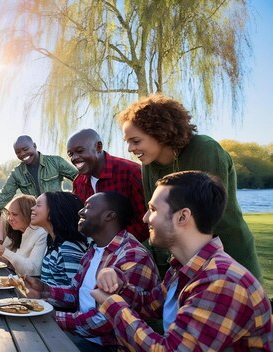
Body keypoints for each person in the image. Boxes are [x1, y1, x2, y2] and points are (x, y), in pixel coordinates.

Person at [91, 171, 273, 351]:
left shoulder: (222, 282)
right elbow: (150, 305)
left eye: (153, 210)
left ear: (182, 217)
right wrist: (116, 282)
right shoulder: (183, 268)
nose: (145, 218)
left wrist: (113, 306)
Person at [119, 94, 262, 280]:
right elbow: (155, 216)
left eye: (136, 141)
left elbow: (208, 218)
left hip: (228, 254)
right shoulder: (148, 165)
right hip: (182, 259)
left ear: (160, 132)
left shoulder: (206, 150)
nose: (130, 149)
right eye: (127, 142)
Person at [25, 192, 159, 350]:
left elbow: (107, 319)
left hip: (109, 345)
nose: (80, 212)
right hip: (85, 336)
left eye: (87, 207)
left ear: (109, 216)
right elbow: (76, 292)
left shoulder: (133, 255)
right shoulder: (93, 250)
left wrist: (52, 316)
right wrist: (45, 292)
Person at [67, 129, 148, 242]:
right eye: (70, 154)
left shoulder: (130, 172)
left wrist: (113, 243)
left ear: (98, 147)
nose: (74, 158)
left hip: (134, 249)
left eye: (80, 151)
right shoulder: (78, 182)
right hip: (96, 250)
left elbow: (145, 221)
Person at [0, 135, 77, 219]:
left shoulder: (55, 162)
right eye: (18, 152)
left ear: (34, 146)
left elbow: (79, 178)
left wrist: (70, 200)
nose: (23, 154)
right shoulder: (17, 173)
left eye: (25, 149)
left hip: (59, 214)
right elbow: (3, 197)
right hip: (36, 218)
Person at [30, 191, 88, 287]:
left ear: (53, 212)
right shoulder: (53, 242)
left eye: (38, 205)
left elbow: (75, 292)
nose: (32, 208)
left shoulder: (68, 249)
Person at [0, 195, 48, 277]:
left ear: (28, 214)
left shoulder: (41, 234)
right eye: (9, 214)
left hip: (32, 285)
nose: (10, 218)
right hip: (18, 280)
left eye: (14, 214)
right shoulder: (16, 232)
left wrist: (3, 251)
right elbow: (5, 260)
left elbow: (33, 270)